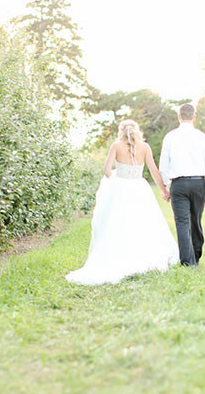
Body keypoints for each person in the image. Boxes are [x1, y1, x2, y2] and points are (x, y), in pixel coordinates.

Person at [65, 119, 179, 285]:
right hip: (139, 188)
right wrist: (164, 190)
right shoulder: (145, 147)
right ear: (137, 131)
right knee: (143, 223)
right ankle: (143, 255)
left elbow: (106, 171)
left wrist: (115, 178)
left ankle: (121, 255)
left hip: (121, 189)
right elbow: (154, 170)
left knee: (120, 222)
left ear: (121, 131)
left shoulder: (116, 146)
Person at [159, 103, 205, 266]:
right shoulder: (202, 137)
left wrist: (164, 188)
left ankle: (188, 261)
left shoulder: (170, 137)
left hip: (178, 184)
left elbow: (163, 166)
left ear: (179, 116)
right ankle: (195, 255)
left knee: (182, 222)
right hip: (198, 183)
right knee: (196, 220)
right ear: (194, 117)